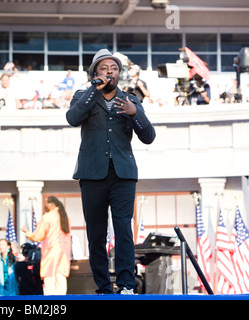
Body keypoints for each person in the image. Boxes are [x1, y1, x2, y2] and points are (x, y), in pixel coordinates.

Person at [66, 49, 156, 295]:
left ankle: (127, 285)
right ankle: (103, 287)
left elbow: (149, 137)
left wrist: (135, 114)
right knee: (96, 233)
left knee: (123, 230)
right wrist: (93, 90)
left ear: (119, 73)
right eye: (104, 68)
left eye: (114, 69)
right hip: (92, 174)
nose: (109, 72)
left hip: (123, 174)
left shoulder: (130, 99)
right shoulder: (82, 96)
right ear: (95, 73)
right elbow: (72, 118)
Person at [21, 196, 71, 295]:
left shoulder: (48, 217)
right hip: (63, 255)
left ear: (50, 204)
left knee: (50, 287)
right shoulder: (65, 217)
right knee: (61, 286)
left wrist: (27, 232)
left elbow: (37, 236)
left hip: (51, 256)